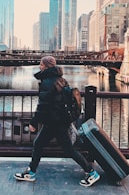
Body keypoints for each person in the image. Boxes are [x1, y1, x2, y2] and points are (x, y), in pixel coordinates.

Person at [14, 55, 100, 187]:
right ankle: (31, 172)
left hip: (54, 122)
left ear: (46, 66)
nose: (39, 66)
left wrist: (33, 122)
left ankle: (91, 172)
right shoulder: (61, 80)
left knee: (66, 149)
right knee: (41, 144)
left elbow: (43, 105)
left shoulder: (47, 82)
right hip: (58, 120)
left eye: (41, 64)